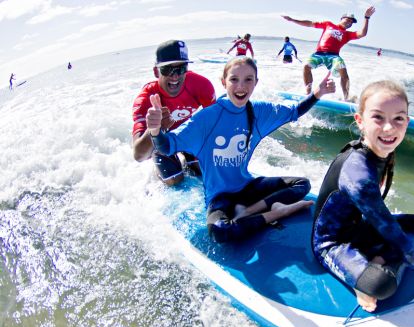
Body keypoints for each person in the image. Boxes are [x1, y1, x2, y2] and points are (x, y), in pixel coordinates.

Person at [149, 57, 336, 243]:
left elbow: (294, 112)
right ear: (224, 82)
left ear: (256, 82)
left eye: (248, 79)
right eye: (234, 79)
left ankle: (249, 211)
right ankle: (275, 212)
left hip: (248, 187)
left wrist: (318, 93)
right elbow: (166, 146)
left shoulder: (259, 111)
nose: (241, 86)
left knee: (302, 184)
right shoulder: (206, 118)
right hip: (221, 197)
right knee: (220, 232)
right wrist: (156, 130)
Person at [311, 80, 414, 312]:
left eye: (398, 118)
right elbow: (392, 231)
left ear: (407, 122)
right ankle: (372, 270)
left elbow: (386, 224)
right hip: (332, 244)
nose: (389, 128)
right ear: (360, 122)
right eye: (378, 117)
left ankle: (377, 259)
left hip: (361, 228)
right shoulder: (358, 173)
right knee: (382, 284)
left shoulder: (380, 152)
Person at [131, 40, 216, 186]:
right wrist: (155, 130)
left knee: (204, 171)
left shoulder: (201, 85)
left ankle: (189, 160)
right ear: (156, 72)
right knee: (175, 181)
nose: (175, 76)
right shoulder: (146, 99)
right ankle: (161, 170)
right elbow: (139, 155)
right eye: (167, 69)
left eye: (181, 68)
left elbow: (215, 122)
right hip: (161, 140)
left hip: (188, 133)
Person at [282, 6, 376, 101]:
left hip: (334, 56)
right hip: (319, 54)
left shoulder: (347, 34)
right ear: (342, 18)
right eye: (348, 20)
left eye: (352, 22)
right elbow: (310, 23)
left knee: (342, 68)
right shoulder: (328, 24)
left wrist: (366, 18)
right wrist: (292, 20)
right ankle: (308, 92)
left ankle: (346, 97)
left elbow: (362, 33)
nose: (350, 23)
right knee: (306, 65)